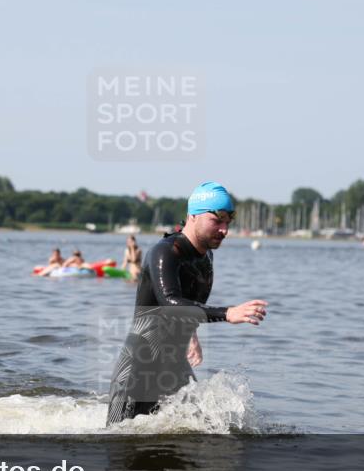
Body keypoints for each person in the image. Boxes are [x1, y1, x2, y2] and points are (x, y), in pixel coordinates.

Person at [106, 181, 268, 426]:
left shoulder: (205, 255)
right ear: (193, 216)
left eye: (228, 222)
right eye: (217, 221)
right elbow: (170, 303)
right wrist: (227, 313)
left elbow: (187, 300)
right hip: (139, 367)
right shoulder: (165, 253)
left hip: (174, 364)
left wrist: (191, 334)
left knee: (203, 432)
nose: (224, 230)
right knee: (119, 440)